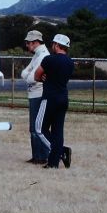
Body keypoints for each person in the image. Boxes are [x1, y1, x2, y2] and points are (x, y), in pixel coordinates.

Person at [34, 34, 74, 169]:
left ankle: (60, 151)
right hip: (63, 98)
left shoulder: (48, 59)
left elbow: (36, 75)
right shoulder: (70, 62)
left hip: (49, 98)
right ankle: (53, 164)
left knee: (39, 128)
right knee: (58, 131)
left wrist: (43, 78)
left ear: (56, 45)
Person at [20, 30, 50, 164]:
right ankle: (37, 155)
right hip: (34, 93)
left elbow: (30, 78)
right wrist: (30, 75)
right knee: (34, 127)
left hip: (38, 94)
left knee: (37, 127)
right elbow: (24, 73)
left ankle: (41, 156)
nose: (27, 45)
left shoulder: (43, 55)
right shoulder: (38, 55)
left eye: (28, 43)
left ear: (35, 42)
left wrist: (30, 75)